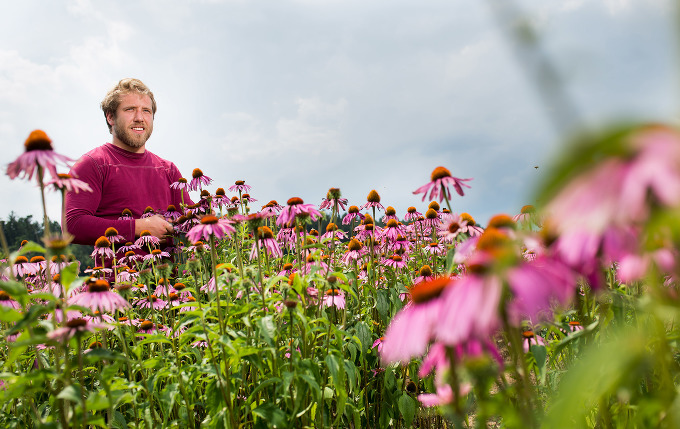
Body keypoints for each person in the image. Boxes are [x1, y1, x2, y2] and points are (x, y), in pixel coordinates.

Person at [64, 78, 191, 246]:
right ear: (110, 117)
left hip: (174, 272)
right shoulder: (92, 164)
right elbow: (72, 226)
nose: (139, 118)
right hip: (118, 271)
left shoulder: (168, 170)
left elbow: (191, 223)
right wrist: (139, 227)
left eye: (146, 111)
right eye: (130, 109)